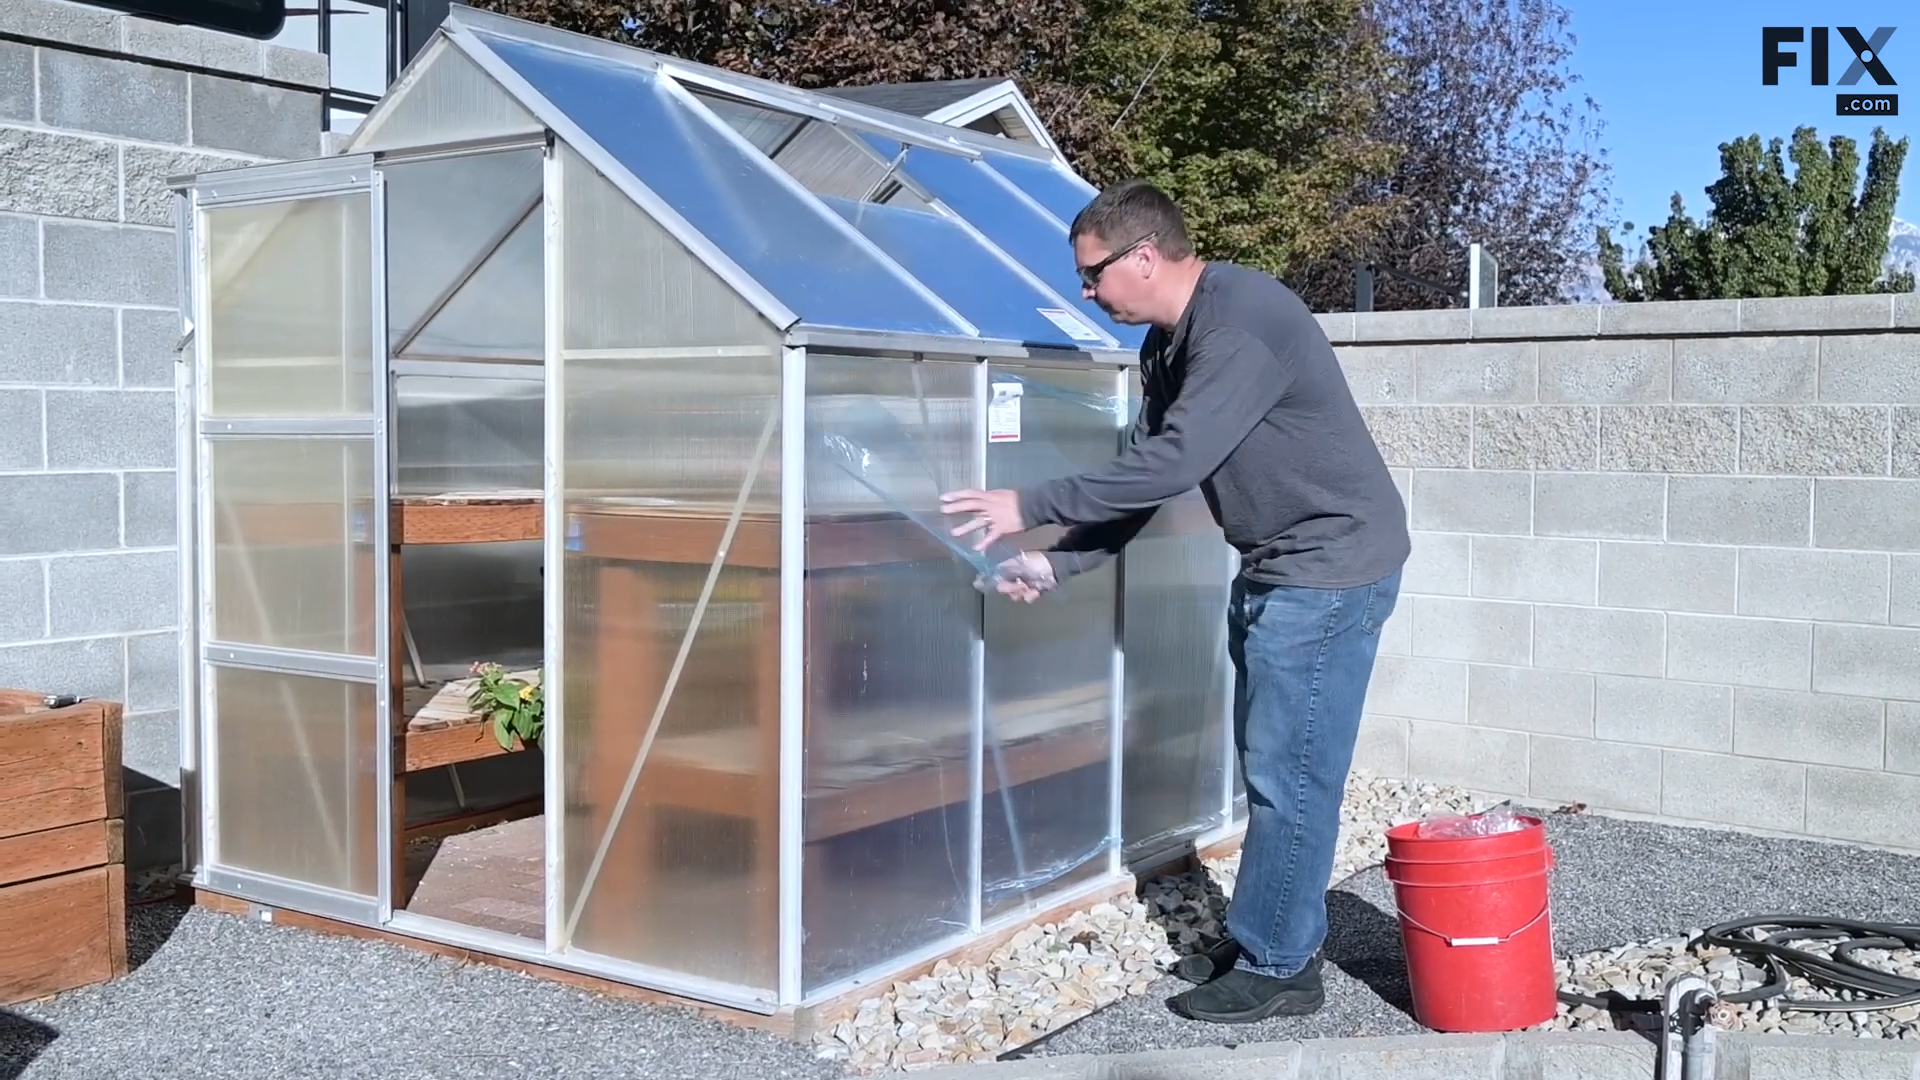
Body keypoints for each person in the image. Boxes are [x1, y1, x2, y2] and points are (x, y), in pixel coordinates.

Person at [939, 179, 1410, 1024]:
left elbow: (1173, 464)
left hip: (1329, 567)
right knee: (1273, 762)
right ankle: (1271, 928)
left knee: (1290, 775)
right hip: (1276, 563)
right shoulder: (1168, 346)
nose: (1086, 292)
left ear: (1144, 257)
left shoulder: (1241, 321)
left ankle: (1281, 968)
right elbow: (1142, 484)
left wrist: (1029, 503)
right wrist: (1057, 567)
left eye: (1092, 276)